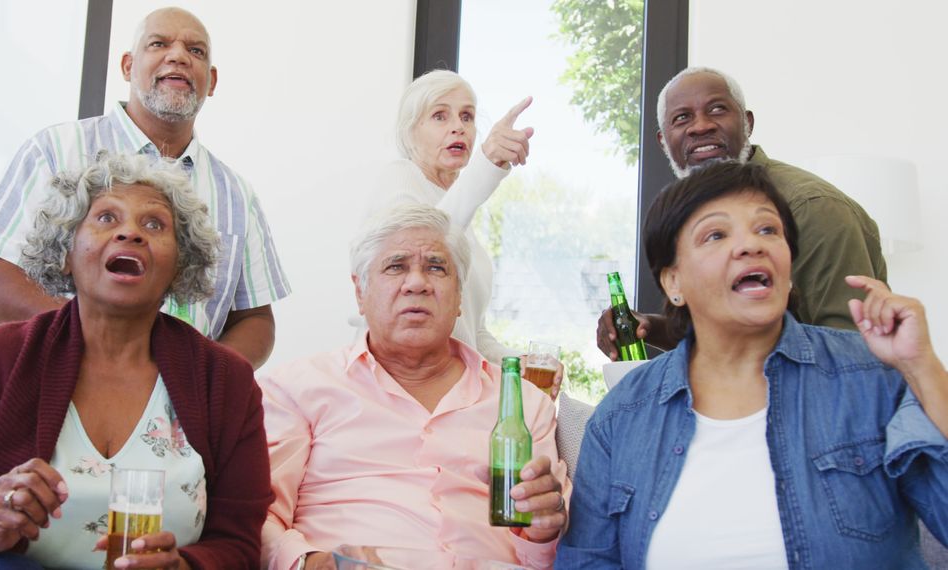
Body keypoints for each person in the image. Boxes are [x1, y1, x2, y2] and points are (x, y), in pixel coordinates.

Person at [0, 153, 272, 569]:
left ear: (180, 266)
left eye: (154, 224)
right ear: (65, 252)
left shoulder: (225, 380)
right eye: (106, 218)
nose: (130, 233)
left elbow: (239, 546)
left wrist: (184, 567)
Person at [557, 162, 948, 568]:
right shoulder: (622, 416)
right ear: (674, 283)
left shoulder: (871, 378)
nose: (751, 245)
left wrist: (922, 366)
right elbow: (588, 560)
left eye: (768, 230)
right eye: (716, 235)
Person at [0, 6, 289, 368]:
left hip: (179, 413)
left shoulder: (237, 195)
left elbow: (254, 320)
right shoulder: (55, 152)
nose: (178, 56)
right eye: (159, 44)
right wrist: (96, 351)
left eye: (195, 51)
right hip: (57, 384)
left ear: (211, 81)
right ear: (128, 66)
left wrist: (200, 380)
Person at [260, 204, 570, 570]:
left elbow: (544, 556)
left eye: (436, 267)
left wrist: (543, 529)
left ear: (458, 299)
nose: (417, 283)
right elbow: (257, 514)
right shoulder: (296, 389)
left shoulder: (524, 405)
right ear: (360, 293)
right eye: (396, 266)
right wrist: (308, 562)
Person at [596, 66, 886, 358]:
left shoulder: (812, 207)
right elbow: (732, 332)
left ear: (747, 123)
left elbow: (851, 355)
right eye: (682, 117)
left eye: (717, 109)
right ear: (663, 141)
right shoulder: (687, 213)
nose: (701, 126)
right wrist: (652, 327)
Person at [359, 70, 567, 396]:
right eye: (440, 115)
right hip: (395, 388)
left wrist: (515, 363)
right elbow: (423, 247)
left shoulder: (461, 213)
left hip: (453, 388)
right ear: (410, 133)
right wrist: (487, 163)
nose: (458, 126)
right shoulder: (398, 179)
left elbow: (472, 332)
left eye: (467, 116)